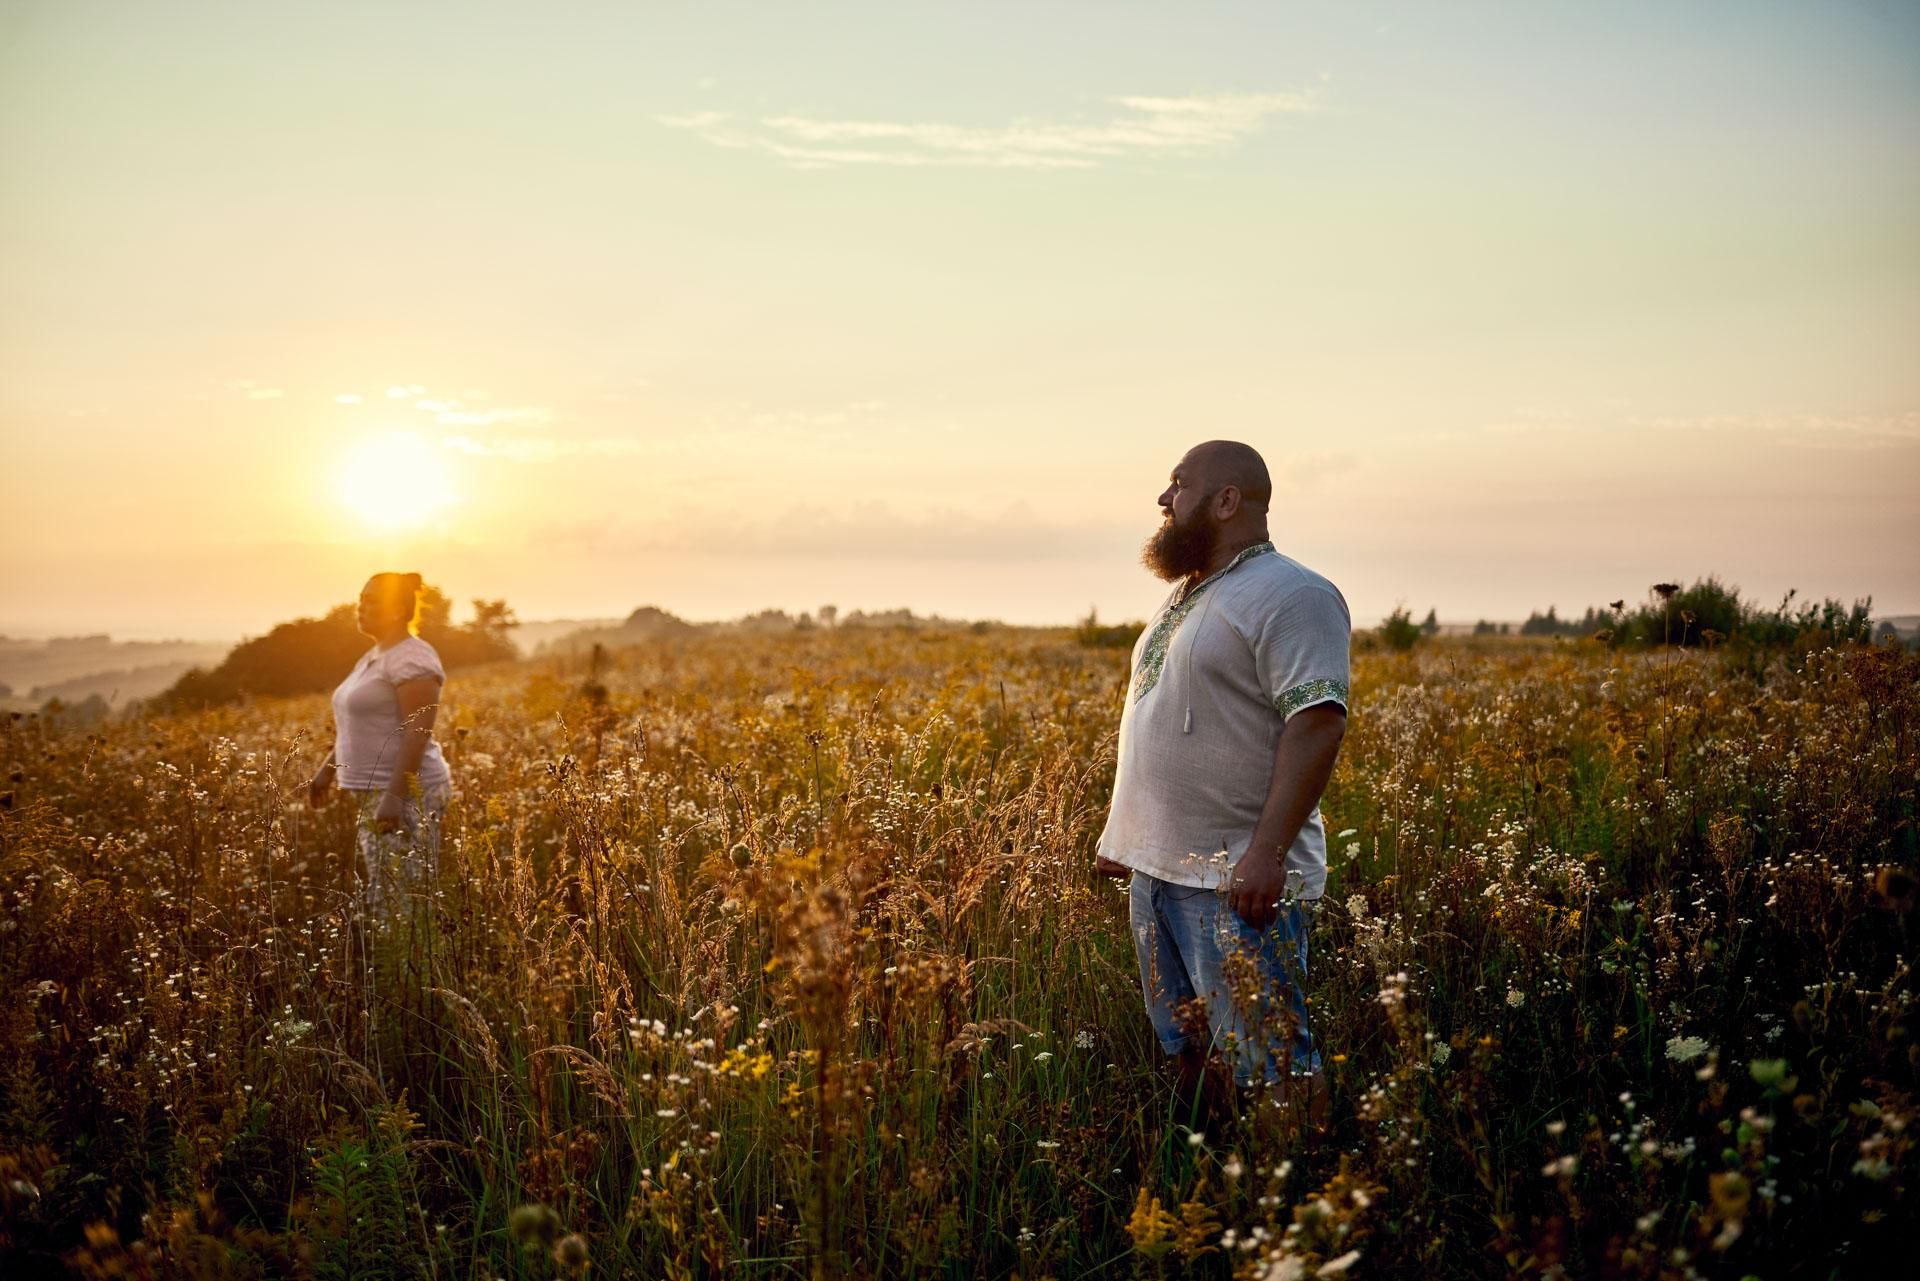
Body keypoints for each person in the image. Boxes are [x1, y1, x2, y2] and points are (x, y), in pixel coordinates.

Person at [1095, 440, 1350, 1134]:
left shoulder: (1293, 593)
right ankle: (1215, 1184)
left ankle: (1291, 1206)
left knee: (1270, 1063)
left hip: (1237, 881)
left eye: (1178, 484)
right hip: (1158, 873)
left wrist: (1266, 852)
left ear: (1227, 500)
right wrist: (1127, 836)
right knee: (1187, 1048)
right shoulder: (1189, 594)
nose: (1163, 499)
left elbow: (1318, 722)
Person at [307, 572, 452, 918]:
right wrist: (326, 771)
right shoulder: (375, 656)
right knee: (387, 890)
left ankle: (413, 969)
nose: (361, 606)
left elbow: (417, 733)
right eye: (361, 598)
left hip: (408, 792)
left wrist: (395, 797)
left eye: (373, 601)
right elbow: (355, 727)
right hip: (376, 791)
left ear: (398, 608)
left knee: (405, 900)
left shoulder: (412, 659)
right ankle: (395, 962)